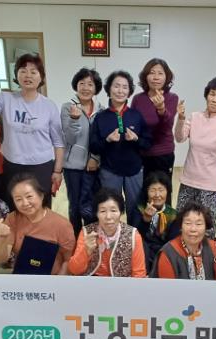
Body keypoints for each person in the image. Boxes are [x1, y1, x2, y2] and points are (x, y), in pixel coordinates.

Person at [0, 54, 64, 208]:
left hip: (41, 166)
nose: (28, 75)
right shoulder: (5, 99)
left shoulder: (49, 106)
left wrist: (58, 171)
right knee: (14, 205)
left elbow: (58, 142)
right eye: (23, 71)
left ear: (41, 77)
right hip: (12, 165)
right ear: (16, 74)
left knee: (40, 207)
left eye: (33, 72)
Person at [174, 76, 216, 234]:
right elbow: (180, 137)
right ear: (206, 95)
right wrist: (181, 118)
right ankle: (180, 251)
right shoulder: (195, 117)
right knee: (182, 222)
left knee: (206, 226)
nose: (215, 99)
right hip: (189, 180)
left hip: (211, 184)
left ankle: (205, 251)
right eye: (212, 94)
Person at [89, 70, 152, 226]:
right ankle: (111, 238)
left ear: (129, 91)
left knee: (135, 210)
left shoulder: (136, 115)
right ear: (109, 89)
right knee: (110, 209)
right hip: (110, 171)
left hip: (134, 171)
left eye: (125, 87)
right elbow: (94, 147)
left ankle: (135, 238)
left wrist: (136, 139)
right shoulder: (101, 117)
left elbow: (147, 143)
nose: (120, 91)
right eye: (116, 86)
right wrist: (107, 140)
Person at [0, 173, 76, 275]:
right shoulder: (12, 219)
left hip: (52, 278)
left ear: (41, 196)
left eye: (29, 196)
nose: (25, 203)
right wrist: (1, 238)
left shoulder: (62, 224)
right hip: (22, 277)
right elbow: (0, 260)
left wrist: (57, 282)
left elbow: (68, 260)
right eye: (18, 199)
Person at [61, 67, 104, 237]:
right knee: (75, 206)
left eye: (90, 84)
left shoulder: (101, 111)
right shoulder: (68, 107)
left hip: (94, 166)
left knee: (92, 205)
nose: (86, 88)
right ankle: (76, 240)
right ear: (76, 85)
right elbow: (70, 138)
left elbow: (101, 139)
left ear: (96, 88)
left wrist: (95, 158)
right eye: (82, 83)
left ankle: (92, 239)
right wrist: (74, 119)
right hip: (73, 166)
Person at [68, 189, 147, 277]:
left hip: (122, 284)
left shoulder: (133, 236)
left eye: (113, 211)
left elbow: (139, 274)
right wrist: (86, 251)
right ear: (96, 213)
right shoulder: (87, 233)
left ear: (121, 212)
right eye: (102, 211)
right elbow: (74, 270)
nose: (108, 217)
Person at [131, 58, 180, 188]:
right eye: (152, 73)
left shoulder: (172, 98)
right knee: (142, 191)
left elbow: (167, 125)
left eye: (160, 73)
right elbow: (133, 124)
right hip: (141, 153)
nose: (156, 77)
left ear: (167, 77)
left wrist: (161, 109)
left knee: (162, 192)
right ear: (145, 76)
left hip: (163, 154)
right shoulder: (138, 98)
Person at [152, 202, 216, 280]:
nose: (193, 229)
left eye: (198, 224)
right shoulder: (168, 253)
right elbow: (167, 286)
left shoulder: (214, 248)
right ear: (180, 227)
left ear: (206, 228)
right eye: (188, 223)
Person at [137, 171, 178, 271]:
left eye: (161, 190)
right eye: (153, 190)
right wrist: (145, 220)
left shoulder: (173, 214)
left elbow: (173, 242)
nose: (157, 195)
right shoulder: (138, 209)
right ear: (146, 192)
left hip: (165, 255)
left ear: (167, 191)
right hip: (143, 253)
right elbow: (135, 236)